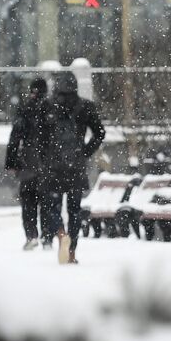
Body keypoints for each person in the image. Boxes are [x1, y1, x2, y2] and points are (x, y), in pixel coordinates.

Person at [33, 71, 106, 265]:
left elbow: (39, 138)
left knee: (52, 207)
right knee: (75, 210)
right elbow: (99, 132)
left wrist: (45, 158)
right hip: (75, 166)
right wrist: (85, 152)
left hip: (54, 167)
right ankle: (72, 251)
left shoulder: (46, 106)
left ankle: (60, 232)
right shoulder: (85, 107)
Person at [6, 77, 48, 251]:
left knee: (28, 201)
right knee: (47, 201)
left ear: (32, 91)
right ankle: (48, 235)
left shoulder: (25, 109)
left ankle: (31, 235)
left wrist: (11, 162)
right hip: (47, 162)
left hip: (28, 162)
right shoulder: (52, 108)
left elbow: (14, 138)